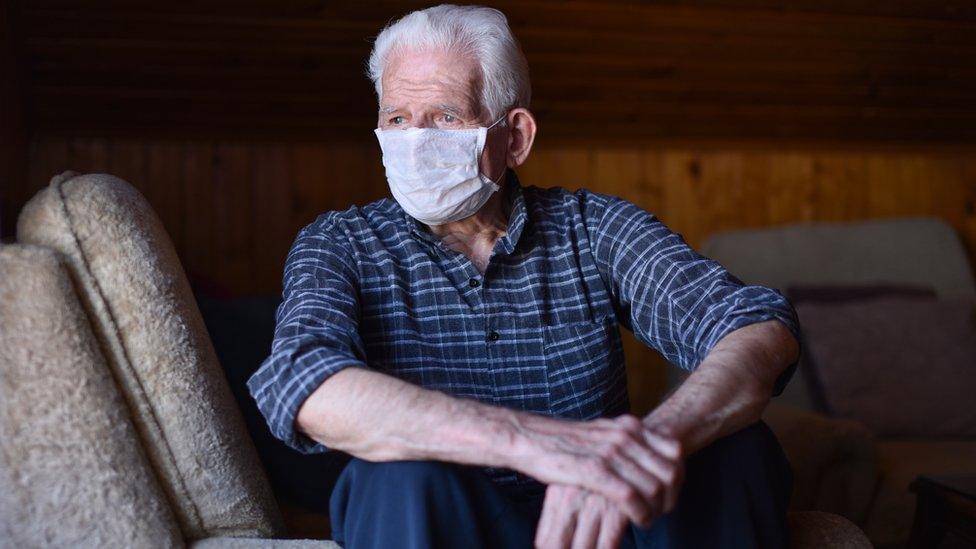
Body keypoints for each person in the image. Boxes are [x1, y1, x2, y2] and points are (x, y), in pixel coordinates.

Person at [247, 4, 801, 548]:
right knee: (395, 475)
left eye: (445, 117)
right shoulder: (341, 242)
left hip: (602, 525)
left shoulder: (593, 228)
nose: (415, 142)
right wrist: (538, 445)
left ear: (514, 138)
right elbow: (304, 383)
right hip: (445, 519)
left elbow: (758, 326)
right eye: (397, 120)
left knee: (738, 449)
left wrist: (648, 445)